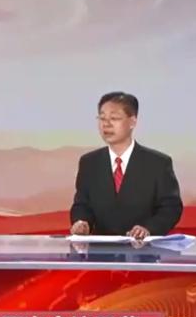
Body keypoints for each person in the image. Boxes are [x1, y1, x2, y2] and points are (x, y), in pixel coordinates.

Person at [70, 92, 183, 241]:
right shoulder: (89, 163)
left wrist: (149, 229)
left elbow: (171, 208)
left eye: (114, 118)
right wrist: (82, 223)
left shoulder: (158, 163)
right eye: (102, 118)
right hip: (101, 250)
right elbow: (82, 205)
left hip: (144, 249)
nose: (106, 124)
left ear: (132, 122)